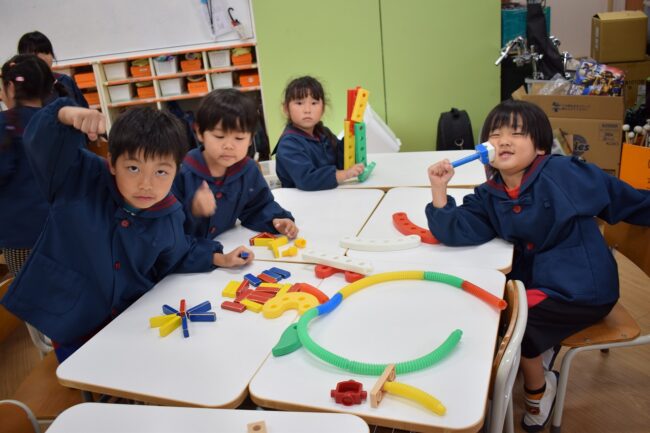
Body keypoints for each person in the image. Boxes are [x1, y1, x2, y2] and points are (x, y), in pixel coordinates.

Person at [425, 100, 650, 432]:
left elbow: (622, 198)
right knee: (494, 313)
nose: (503, 140)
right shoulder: (490, 194)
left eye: (516, 133)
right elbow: (458, 230)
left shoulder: (563, 173)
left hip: (583, 288)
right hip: (539, 282)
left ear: (540, 146)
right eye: (495, 134)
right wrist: (439, 190)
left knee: (519, 323)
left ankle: (539, 392)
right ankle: (531, 356)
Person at [1, 98, 254, 362]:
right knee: (81, 372)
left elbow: (178, 252)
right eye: (133, 168)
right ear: (112, 163)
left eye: (161, 172)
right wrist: (62, 113)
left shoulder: (169, 212)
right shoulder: (79, 178)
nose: (146, 184)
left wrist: (220, 257)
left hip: (128, 321)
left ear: (176, 171)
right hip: (70, 319)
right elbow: (40, 143)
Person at [173, 88, 298, 240]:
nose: (229, 146)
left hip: (229, 244)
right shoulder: (181, 173)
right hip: (188, 250)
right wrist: (193, 210)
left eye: (239, 138)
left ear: (250, 138)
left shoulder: (248, 170)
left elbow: (257, 207)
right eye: (219, 136)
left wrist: (276, 220)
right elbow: (166, 227)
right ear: (199, 132)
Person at [0, 54, 63, 276]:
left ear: (10, 87)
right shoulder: (60, 120)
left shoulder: (5, 123)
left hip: (21, 233)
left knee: (29, 288)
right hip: (64, 227)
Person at [274, 76, 364, 190]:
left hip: (326, 195)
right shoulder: (288, 144)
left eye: (314, 103)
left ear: (323, 109)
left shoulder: (323, 133)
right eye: (299, 103)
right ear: (286, 109)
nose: (307, 110)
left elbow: (341, 161)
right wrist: (344, 175)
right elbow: (307, 179)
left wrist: (351, 136)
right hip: (302, 199)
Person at [17, 31, 89, 108]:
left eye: (46, 52)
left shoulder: (65, 80)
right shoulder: (20, 87)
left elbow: (84, 109)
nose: (43, 58)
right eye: (36, 54)